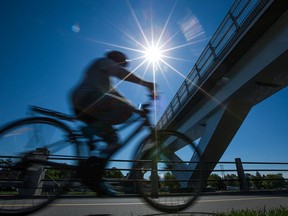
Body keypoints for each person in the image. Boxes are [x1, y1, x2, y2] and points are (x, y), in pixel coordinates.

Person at [70, 50, 156, 195]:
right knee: (124, 109)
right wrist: (146, 83)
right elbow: (120, 73)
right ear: (115, 59)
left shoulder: (105, 80)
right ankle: (90, 130)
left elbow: (117, 97)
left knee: (113, 141)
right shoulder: (103, 62)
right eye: (122, 62)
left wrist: (137, 111)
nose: (123, 66)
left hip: (87, 107)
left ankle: (95, 177)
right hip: (86, 98)